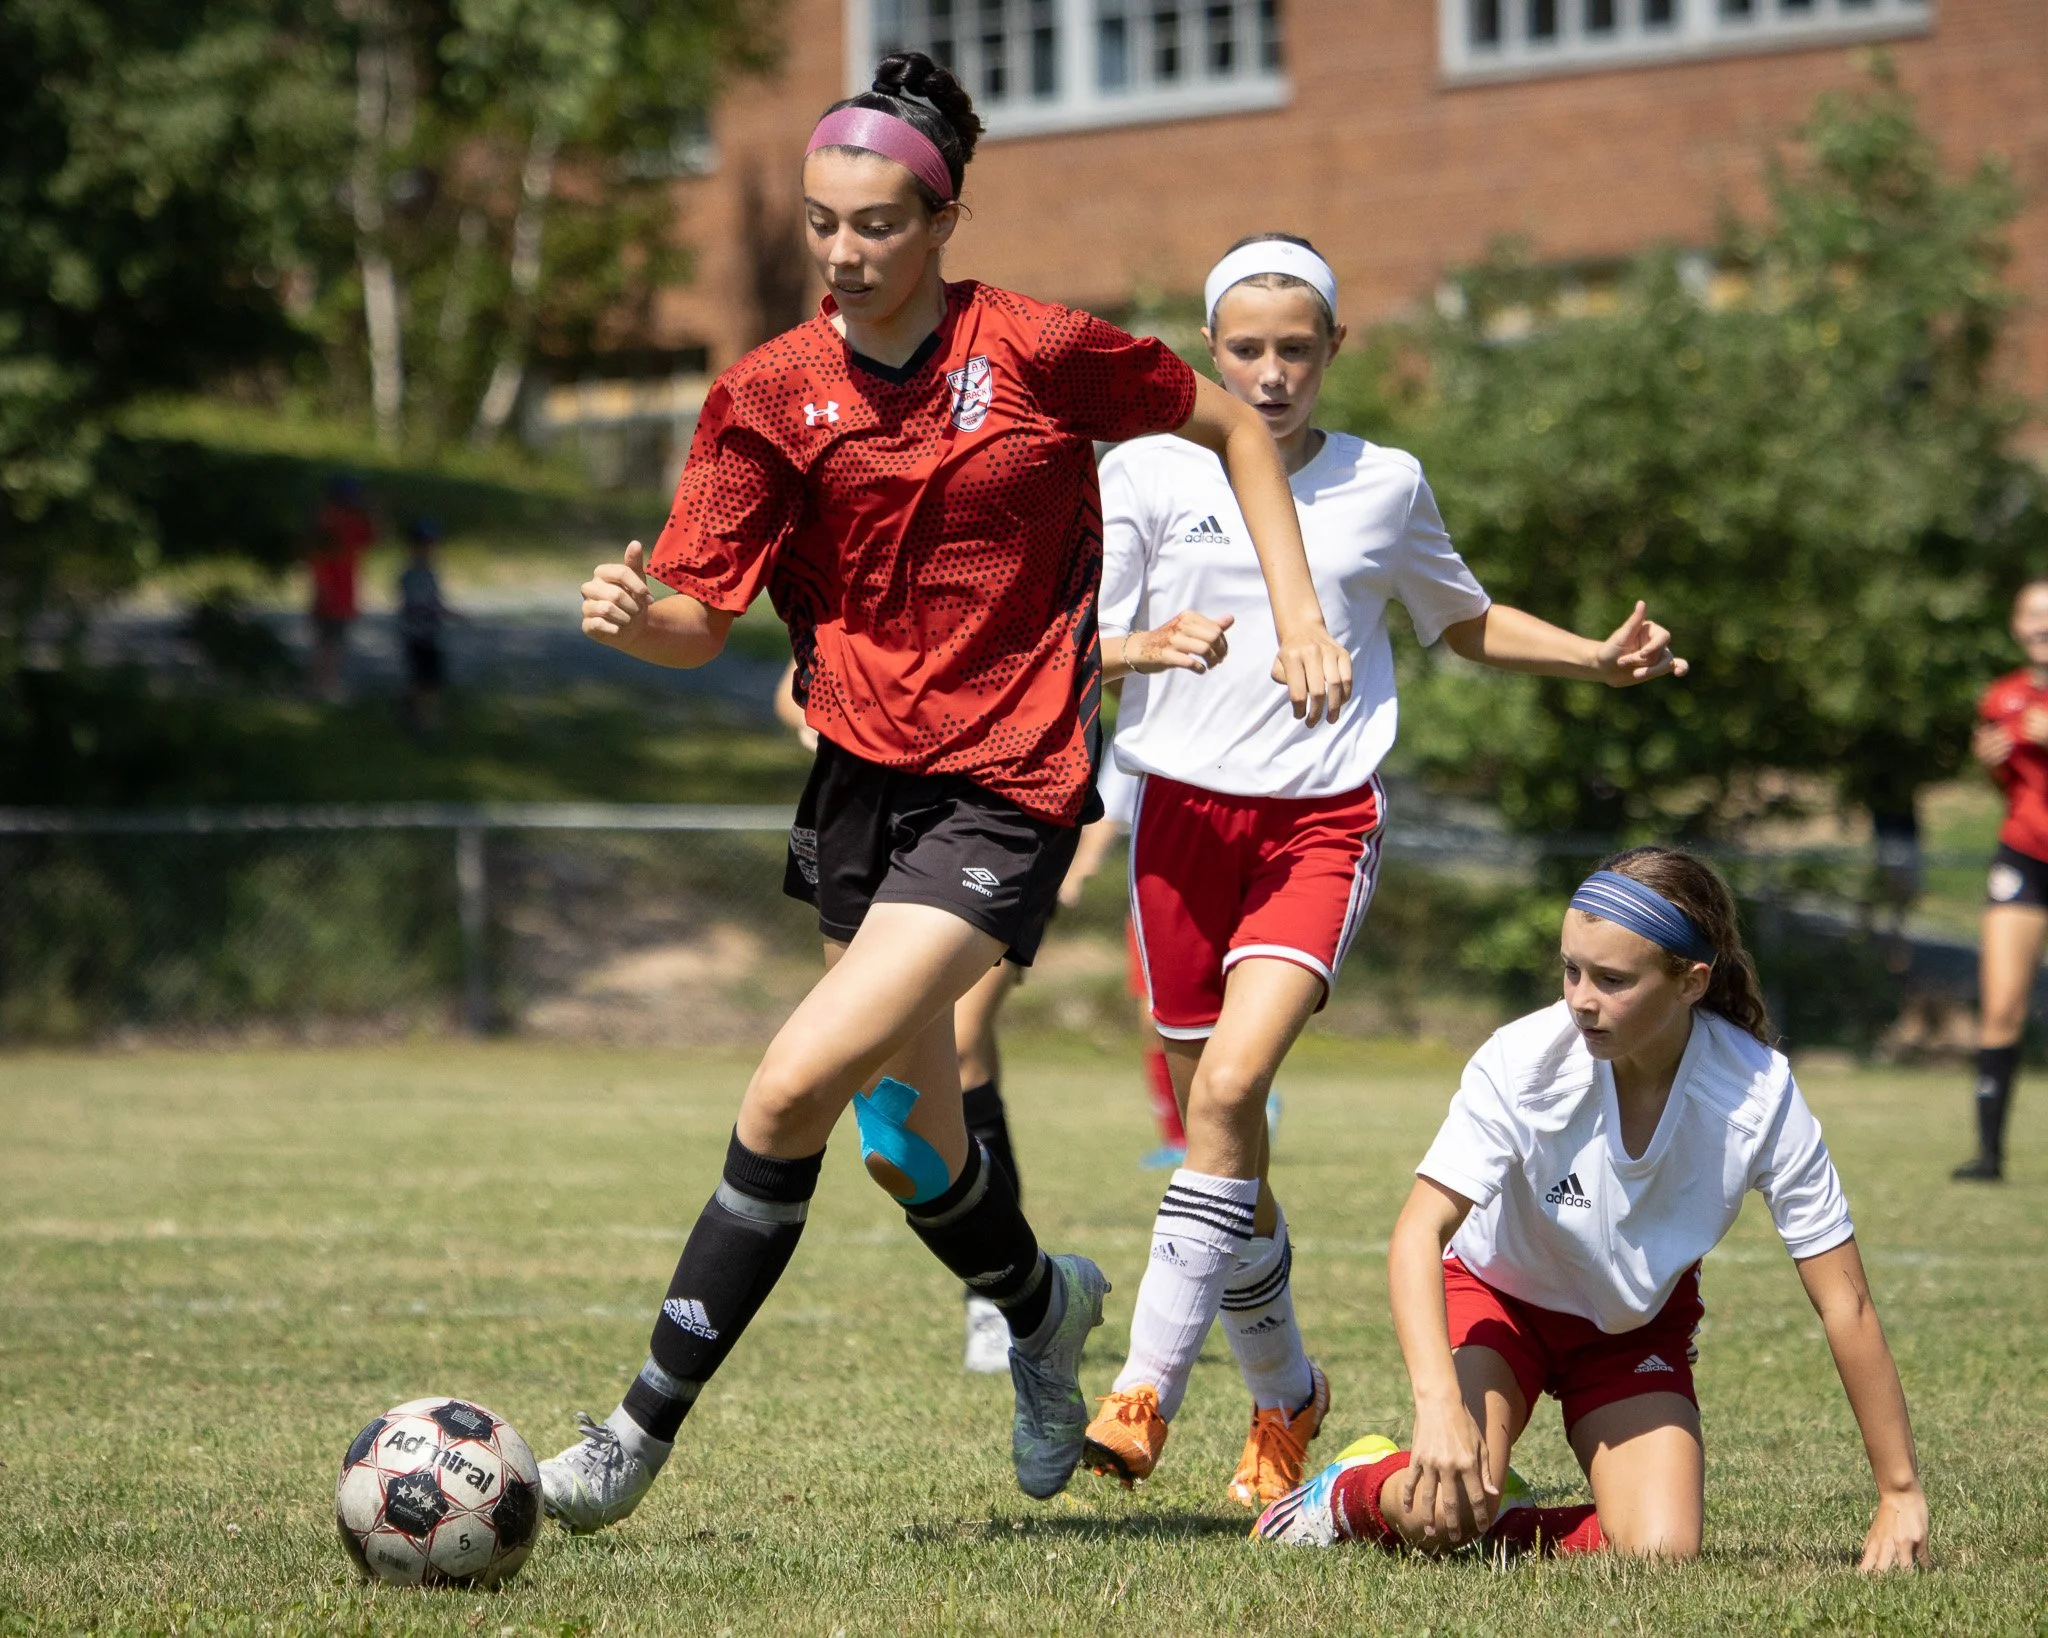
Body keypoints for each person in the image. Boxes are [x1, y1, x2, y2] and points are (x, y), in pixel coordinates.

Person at [542, 53, 1357, 1532]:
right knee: (909, 1145)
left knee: (788, 1089)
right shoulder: (764, 394)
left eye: (875, 225)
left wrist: (1298, 615)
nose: (844, 253)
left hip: (1009, 785)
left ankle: (629, 1437)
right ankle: (1044, 1309)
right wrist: (630, 615)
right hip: (860, 787)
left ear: (941, 222)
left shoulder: (1042, 350)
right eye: (821, 224)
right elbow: (697, 622)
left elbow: (1236, 425)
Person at [1081, 234, 1687, 1512]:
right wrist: (1146, 647)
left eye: (1295, 349)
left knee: (1229, 1089)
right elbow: (1077, 639)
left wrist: (1591, 657)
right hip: (1175, 824)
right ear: (1208, 350)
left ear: (1334, 350)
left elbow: (1460, 620)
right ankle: (1286, 1392)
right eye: (1246, 349)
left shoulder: (1383, 481)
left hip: (1316, 823)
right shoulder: (1143, 467)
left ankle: (1141, 1390)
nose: (1270, 373)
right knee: (1221, 1134)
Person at [1252, 847, 1932, 1575]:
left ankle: (1501, 1517)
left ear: (1691, 982)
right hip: (1497, 1301)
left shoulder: (1758, 1095)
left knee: (1659, 1554)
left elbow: (1846, 1301)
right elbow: (1419, 1231)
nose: (1581, 999)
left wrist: (1900, 1493)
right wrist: (1439, 1404)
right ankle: (1344, 1493)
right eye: (1571, 970)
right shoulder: (1524, 1060)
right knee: (1438, 1511)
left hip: (1631, 1329)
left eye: (1612, 980)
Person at [777, 654, 1024, 1375]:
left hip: (994, 820)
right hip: (873, 817)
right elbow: (793, 686)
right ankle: (1024, 1282)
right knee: (892, 1137)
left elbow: (1078, 666)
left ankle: (998, 1304)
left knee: (966, 1040)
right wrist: (836, 722)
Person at [1957, 578, 2048, 1182]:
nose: (2043, 626)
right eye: (2033, 615)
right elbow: (2015, 787)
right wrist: (1989, 763)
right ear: (2017, 626)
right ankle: (1989, 1157)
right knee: (2001, 1005)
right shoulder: (2003, 697)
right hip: (2024, 856)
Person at [309, 474, 375, 701]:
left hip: (345, 593)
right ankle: (321, 687)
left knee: (334, 643)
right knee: (329, 643)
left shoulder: (350, 522)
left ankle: (326, 684)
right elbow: (317, 561)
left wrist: (373, 512)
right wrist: (324, 590)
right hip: (331, 594)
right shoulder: (326, 521)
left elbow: (373, 537)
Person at [397, 518, 452, 735]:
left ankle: (423, 717)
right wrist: (437, 611)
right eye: (422, 544)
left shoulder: (431, 572)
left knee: (433, 680)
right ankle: (420, 722)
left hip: (430, 633)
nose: (428, 549)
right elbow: (415, 605)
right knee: (423, 680)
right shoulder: (411, 574)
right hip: (417, 634)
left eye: (431, 544)